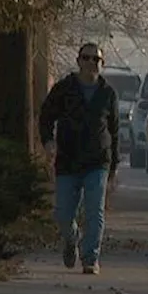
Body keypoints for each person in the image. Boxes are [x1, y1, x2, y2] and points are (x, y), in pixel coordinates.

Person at [38, 42, 121, 275]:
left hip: (98, 162)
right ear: (78, 61)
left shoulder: (107, 93)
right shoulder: (64, 89)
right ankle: (71, 239)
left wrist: (114, 167)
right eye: (86, 58)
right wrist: (48, 141)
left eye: (96, 59)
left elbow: (115, 131)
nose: (91, 63)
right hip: (68, 160)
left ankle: (90, 258)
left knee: (95, 212)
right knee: (63, 214)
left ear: (102, 64)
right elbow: (45, 116)